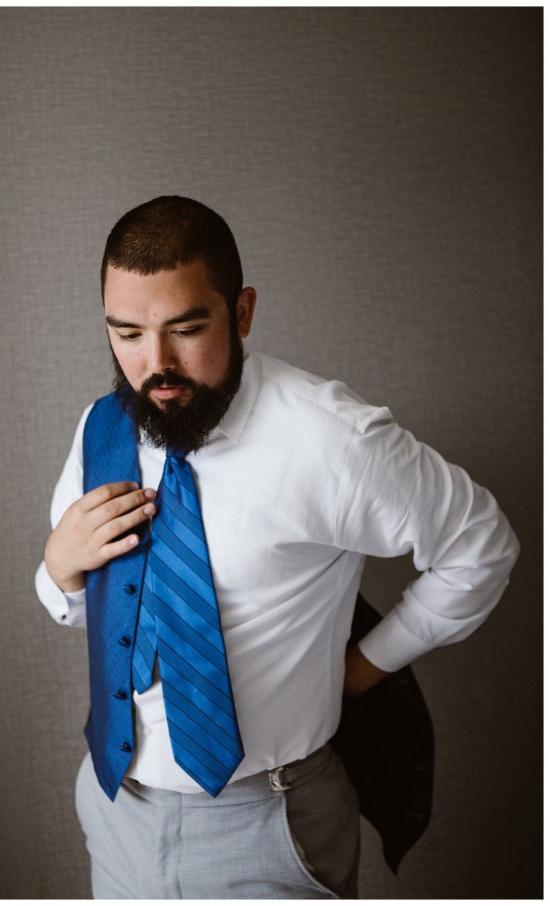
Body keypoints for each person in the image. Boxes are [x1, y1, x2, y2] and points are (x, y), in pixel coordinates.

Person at [35, 196, 520, 898]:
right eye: (127, 333)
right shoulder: (100, 428)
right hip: (116, 811)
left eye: (186, 328)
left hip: (269, 823)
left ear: (242, 312)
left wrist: (365, 666)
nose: (156, 364)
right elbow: (90, 615)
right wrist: (60, 570)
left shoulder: (331, 439)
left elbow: (482, 545)